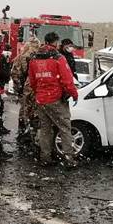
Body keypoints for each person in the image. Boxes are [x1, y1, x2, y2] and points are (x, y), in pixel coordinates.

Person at [28, 32, 79, 167]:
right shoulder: (58, 58)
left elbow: (32, 81)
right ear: (56, 42)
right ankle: (69, 158)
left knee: (45, 129)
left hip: (41, 99)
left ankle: (45, 157)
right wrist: (74, 94)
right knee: (65, 128)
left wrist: (38, 93)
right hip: (55, 99)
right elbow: (67, 80)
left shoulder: (34, 58)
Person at [11, 34, 41, 143]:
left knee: (24, 111)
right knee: (35, 111)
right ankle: (32, 133)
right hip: (36, 89)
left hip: (25, 89)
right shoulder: (39, 57)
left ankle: (23, 132)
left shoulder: (20, 57)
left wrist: (18, 87)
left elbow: (14, 73)